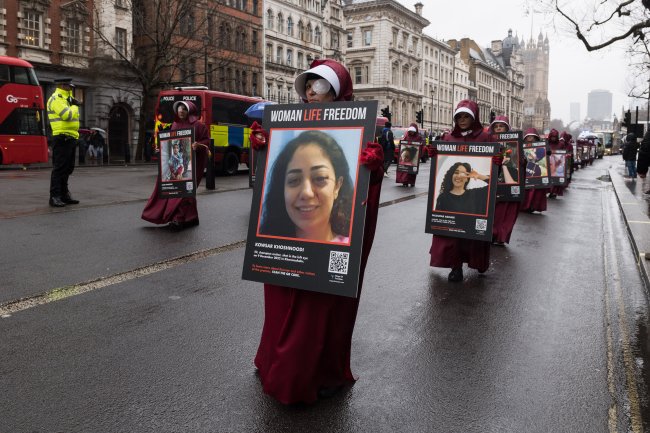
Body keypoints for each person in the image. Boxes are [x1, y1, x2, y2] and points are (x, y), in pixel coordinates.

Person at [249, 59, 384, 404]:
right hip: (287, 246)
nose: (310, 92)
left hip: (326, 251)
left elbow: (362, 204)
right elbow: (268, 182)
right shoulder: (288, 128)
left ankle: (317, 371)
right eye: (307, 86)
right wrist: (262, 148)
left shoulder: (360, 130)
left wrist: (373, 167)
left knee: (321, 310)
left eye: (319, 85)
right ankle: (271, 361)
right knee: (279, 303)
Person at [427, 99, 502, 282]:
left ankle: (477, 261)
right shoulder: (447, 138)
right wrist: (434, 154)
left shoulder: (486, 138)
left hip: (471, 203)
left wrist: (496, 162)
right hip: (451, 203)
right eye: (458, 116)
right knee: (451, 235)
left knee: (473, 236)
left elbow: (493, 176)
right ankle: (456, 267)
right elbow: (438, 166)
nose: (462, 120)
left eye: (466, 116)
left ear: (474, 117)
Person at [259, 130, 353, 243]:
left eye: (320, 178)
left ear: (337, 186)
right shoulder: (267, 252)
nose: (306, 192)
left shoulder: (352, 251)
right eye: (294, 180)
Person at [141, 100, 210, 230]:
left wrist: (198, 145)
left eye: (184, 109)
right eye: (179, 109)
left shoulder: (199, 126)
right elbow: (170, 142)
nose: (181, 111)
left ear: (190, 110)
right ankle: (191, 218)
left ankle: (178, 219)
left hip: (190, 165)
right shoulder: (174, 125)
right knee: (176, 192)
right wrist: (162, 148)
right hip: (174, 165)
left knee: (183, 193)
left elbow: (206, 142)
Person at [48, 78, 81, 207]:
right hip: (61, 137)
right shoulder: (56, 99)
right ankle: (54, 196)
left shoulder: (67, 99)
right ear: (62, 85)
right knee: (59, 168)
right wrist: (74, 106)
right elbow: (67, 115)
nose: (71, 89)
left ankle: (64, 195)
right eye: (69, 86)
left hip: (71, 137)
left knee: (68, 168)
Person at [489, 115, 521, 246]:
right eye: (496, 126)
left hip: (507, 182)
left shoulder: (514, 144)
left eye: (501, 126)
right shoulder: (488, 141)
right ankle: (490, 233)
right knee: (493, 211)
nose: (498, 128)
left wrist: (519, 160)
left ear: (507, 128)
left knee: (505, 211)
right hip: (491, 180)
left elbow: (518, 163)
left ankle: (500, 235)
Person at [520, 128, 549, 214]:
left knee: (535, 190)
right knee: (526, 189)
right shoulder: (521, 146)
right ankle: (524, 205)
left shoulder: (541, 148)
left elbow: (541, 158)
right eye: (528, 137)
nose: (530, 139)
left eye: (533, 137)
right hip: (525, 171)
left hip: (536, 170)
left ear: (536, 138)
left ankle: (532, 206)